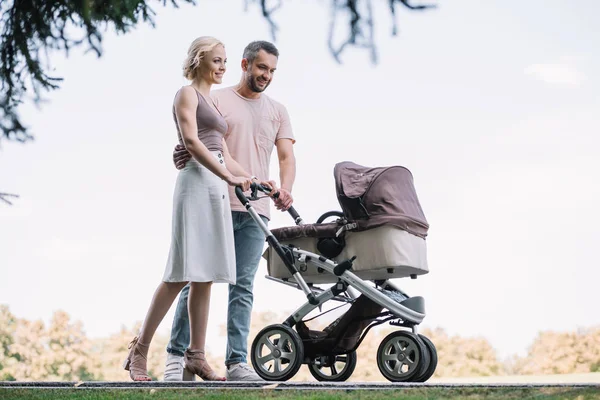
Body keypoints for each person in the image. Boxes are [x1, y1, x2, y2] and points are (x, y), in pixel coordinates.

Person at [123, 36, 255, 381]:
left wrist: (253, 179)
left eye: (225, 61)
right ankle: (139, 349)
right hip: (196, 183)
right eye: (216, 60)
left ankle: (196, 356)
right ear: (198, 60)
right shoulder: (186, 94)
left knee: (206, 274)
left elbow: (224, 151)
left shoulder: (213, 102)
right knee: (180, 272)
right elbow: (192, 142)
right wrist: (226, 173)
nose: (222, 67)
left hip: (216, 185)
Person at [164, 40, 296, 382]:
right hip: (215, 200)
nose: (266, 75)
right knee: (196, 279)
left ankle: (237, 362)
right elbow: (194, 138)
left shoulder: (278, 110)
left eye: (271, 70)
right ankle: (178, 357)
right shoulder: (216, 98)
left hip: (257, 208)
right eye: (261, 67)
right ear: (245, 64)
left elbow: (285, 157)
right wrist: (180, 153)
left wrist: (285, 188)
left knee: (243, 286)